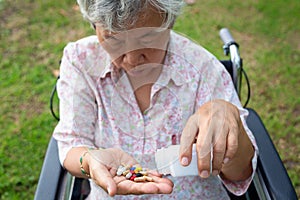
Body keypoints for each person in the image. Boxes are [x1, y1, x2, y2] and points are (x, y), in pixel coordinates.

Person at [53, 0, 258, 199]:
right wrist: (88, 160)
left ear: (169, 20)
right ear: (94, 25)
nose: (132, 60)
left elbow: (241, 173)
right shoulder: (80, 60)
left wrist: (232, 126)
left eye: (147, 38)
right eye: (113, 39)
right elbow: (72, 141)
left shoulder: (203, 69)